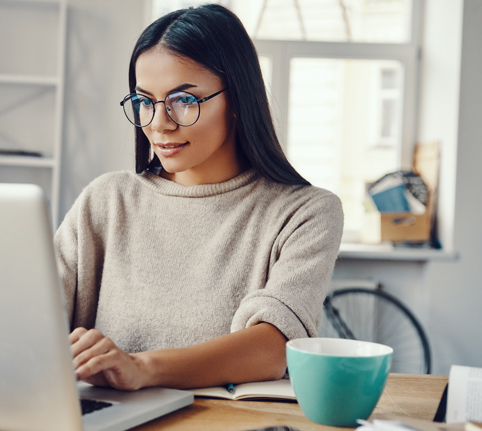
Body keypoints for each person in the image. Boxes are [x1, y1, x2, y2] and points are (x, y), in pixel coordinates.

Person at [54, 4, 343, 391]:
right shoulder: (105, 200)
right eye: (144, 102)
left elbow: (272, 348)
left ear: (238, 100)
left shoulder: (305, 213)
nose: (159, 124)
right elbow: (36, 313)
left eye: (183, 100)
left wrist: (142, 367)